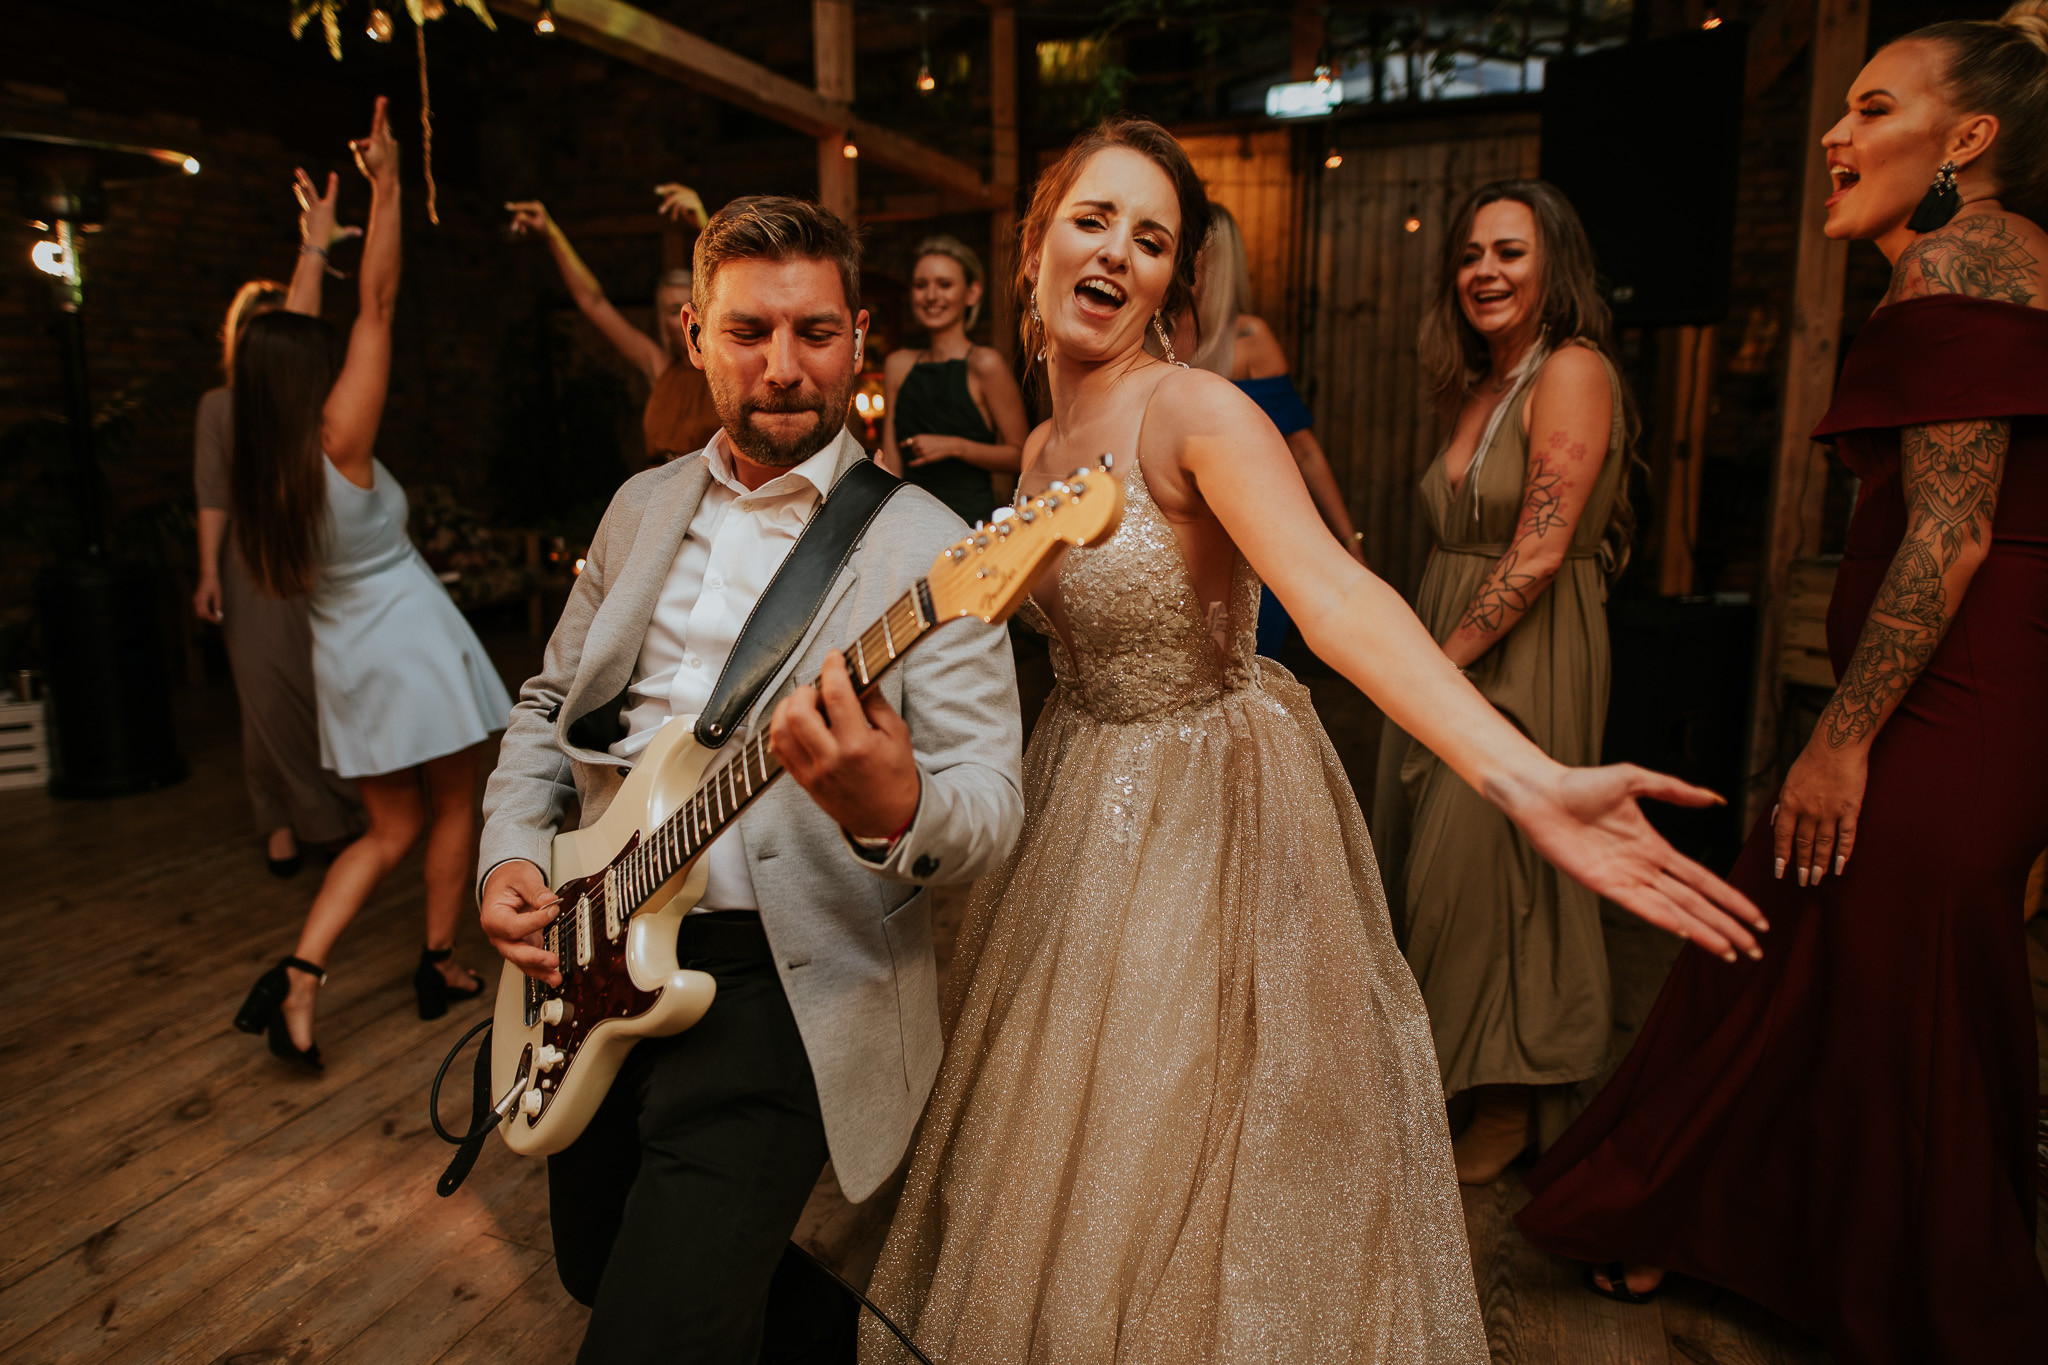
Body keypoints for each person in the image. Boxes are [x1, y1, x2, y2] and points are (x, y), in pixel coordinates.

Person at [861, 114, 1763, 1364]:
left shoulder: (1196, 411)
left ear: (1173, 281)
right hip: (1078, 784)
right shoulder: (1036, 449)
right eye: (1091, 219)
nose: (1115, 251)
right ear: (1034, 246)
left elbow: (1333, 595)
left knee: (1187, 1134)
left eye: (1150, 239)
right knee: (1061, 1121)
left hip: (1205, 797)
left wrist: (1523, 777)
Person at [1516, 8, 2048, 1360]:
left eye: (1873, 108)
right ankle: (1744, 1235)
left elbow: (1950, 532)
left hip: (1959, 700)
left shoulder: (1965, 259)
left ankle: (1924, 1300)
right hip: (1966, 686)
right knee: (1820, 959)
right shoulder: (1979, 260)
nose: (1833, 134)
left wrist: (1839, 738)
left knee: (1877, 975)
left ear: (1967, 140)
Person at [474, 195, 1025, 1364]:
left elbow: (990, 805)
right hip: (595, 939)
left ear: (858, 337)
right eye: (747, 332)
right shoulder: (638, 508)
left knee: (649, 1338)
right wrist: (510, 851)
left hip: (787, 981)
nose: (782, 366)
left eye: (814, 332)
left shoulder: (931, 549)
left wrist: (896, 810)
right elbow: (544, 704)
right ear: (694, 337)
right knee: (598, 1266)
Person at [1368, 181, 1640, 1184]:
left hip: (1525, 642)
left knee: (1488, 869)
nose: (1484, 270)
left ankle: (1511, 1098)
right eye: (1470, 253)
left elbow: (1537, 550)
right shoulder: (1478, 382)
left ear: (1552, 265)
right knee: (1429, 866)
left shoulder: (1571, 369)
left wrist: (1430, 669)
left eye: (1509, 252)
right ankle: (1452, 1076)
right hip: (1453, 628)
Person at [232, 98, 512, 1069]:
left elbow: (292, 340)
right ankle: (438, 962)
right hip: (409, 640)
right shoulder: (339, 441)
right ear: (305, 380)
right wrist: (389, 185)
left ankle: (299, 975)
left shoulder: (264, 463)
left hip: (344, 656)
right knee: (454, 804)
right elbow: (379, 304)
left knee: (386, 829)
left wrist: (314, 247)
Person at [192, 178, 363, 875]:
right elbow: (212, 493)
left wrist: (313, 249)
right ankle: (280, 822)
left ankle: (331, 814)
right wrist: (207, 571)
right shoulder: (220, 408)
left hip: (310, 554)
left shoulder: (302, 409)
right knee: (263, 697)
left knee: (318, 691)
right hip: (247, 563)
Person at [1188, 203, 1365, 656]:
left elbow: (1302, 450)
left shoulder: (1250, 339)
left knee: (1247, 677)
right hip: (1170, 543)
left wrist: (1349, 541)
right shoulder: (1149, 336)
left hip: (1245, 548)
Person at [507, 183, 721, 464]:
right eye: (673, 310)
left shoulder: (725, 368)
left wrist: (704, 222)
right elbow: (593, 302)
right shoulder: (660, 367)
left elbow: (736, 283)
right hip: (659, 485)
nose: (687, 316)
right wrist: (552, 233)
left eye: (694, 304)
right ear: (663, 322)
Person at [877, 234, 1028, 526]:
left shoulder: (985, 364)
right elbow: (892, 462)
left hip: (969, 524)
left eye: (945, 284)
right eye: (921, 285)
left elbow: (1022, 456)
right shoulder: (898, 364)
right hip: (909, 521)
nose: (931, 296)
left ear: (972, 293)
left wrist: (955, 446)